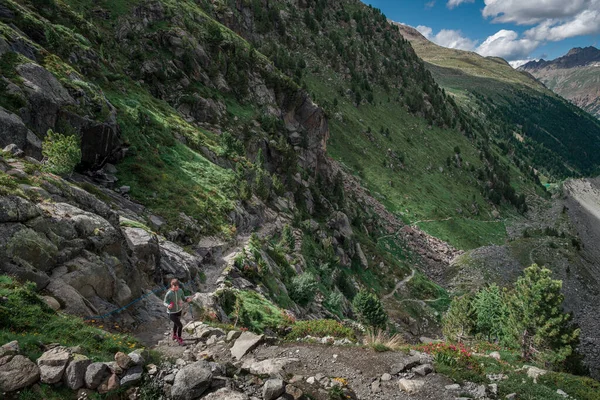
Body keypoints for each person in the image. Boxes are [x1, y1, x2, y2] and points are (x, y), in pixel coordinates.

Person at [163, 278, 192, 345]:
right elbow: (164, 302)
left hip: (179, 310)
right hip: (171, 312)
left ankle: (174, 335)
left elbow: (183, 299)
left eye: (177, 286)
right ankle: (179, 339)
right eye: (175, 286)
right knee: (180, 325)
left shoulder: (180, 291)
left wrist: (187, 299)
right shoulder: (169, 293)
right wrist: (168, 305)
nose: (176, 287)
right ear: (172, 285)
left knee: (176, 324)